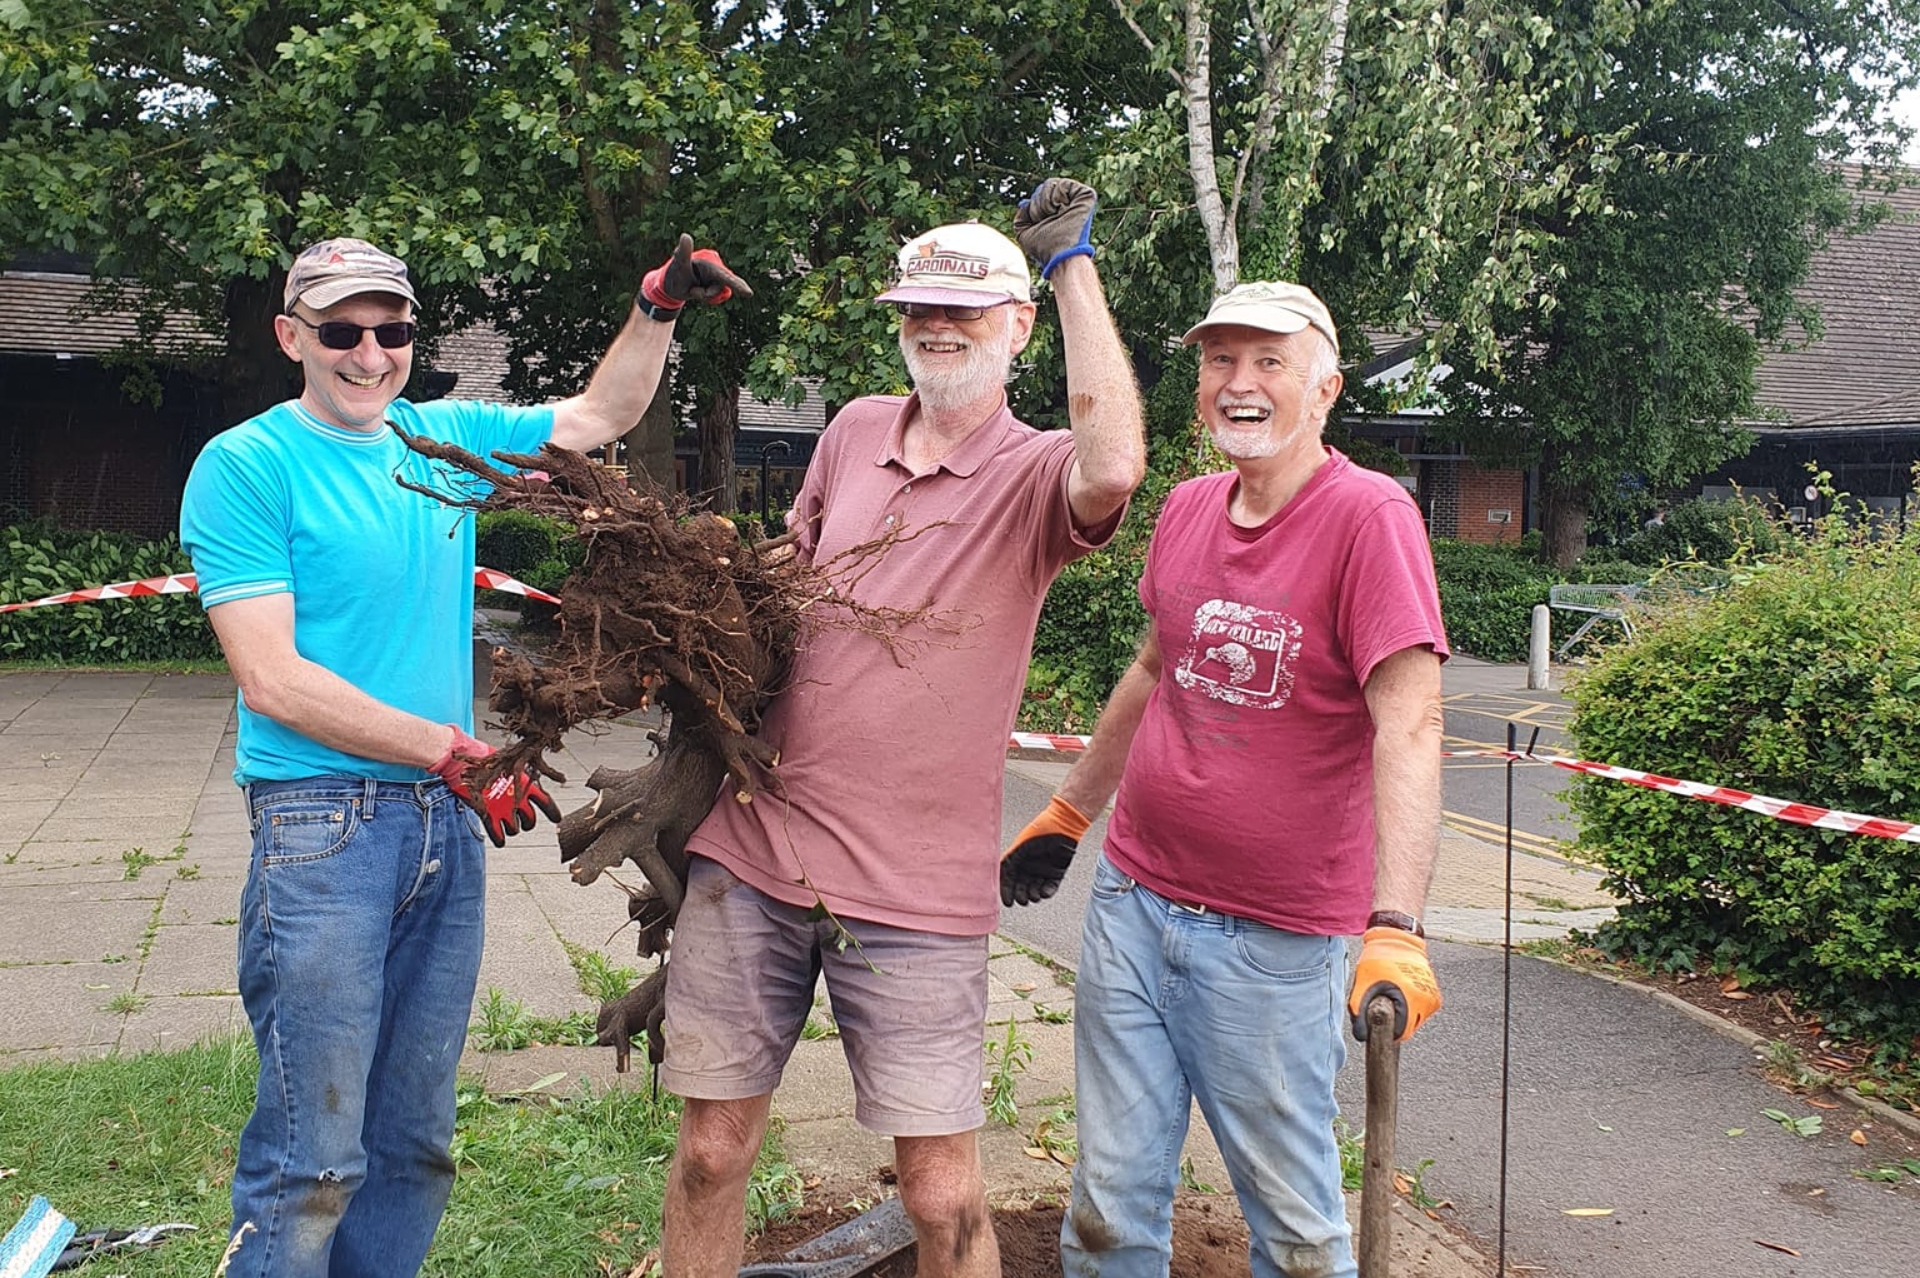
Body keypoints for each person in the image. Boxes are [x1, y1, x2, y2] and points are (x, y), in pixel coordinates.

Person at [179, 233, 745, 1278]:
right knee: (314, 1155)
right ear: (290, 335)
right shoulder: (247, 465)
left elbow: (595, 420)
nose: (368, 354)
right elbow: (274, 681)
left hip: (445, 827)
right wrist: (449, 749)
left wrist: (657, 306)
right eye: (342, 332)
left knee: (413, 1144)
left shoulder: (438, 440)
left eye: (389, 331)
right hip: (322, 828)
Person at [653, 180, 1145, 1278]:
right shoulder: (855, 429)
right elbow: (786, 585)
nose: (937, 324)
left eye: (966, 310)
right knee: (709, 1153)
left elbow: (1114, 465)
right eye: (919, 305)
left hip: (917, 888)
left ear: (1015, 327)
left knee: (941, 1189)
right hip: (755, 852)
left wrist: (1071, 266)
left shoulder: (1033, 476)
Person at [1001, 281, 1448, 1278]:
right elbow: (1154, 671)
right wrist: (1071, 810)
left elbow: (1411, 723)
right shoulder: (1191, 507)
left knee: (1292, 1226)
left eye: (1268, 363)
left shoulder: (1370, 518)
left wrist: (1397, 925)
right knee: (1110, 1202)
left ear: (1324, 388)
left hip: (1278, 943)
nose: (1238, 384)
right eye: (1219, 362)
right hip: (1133, 906)